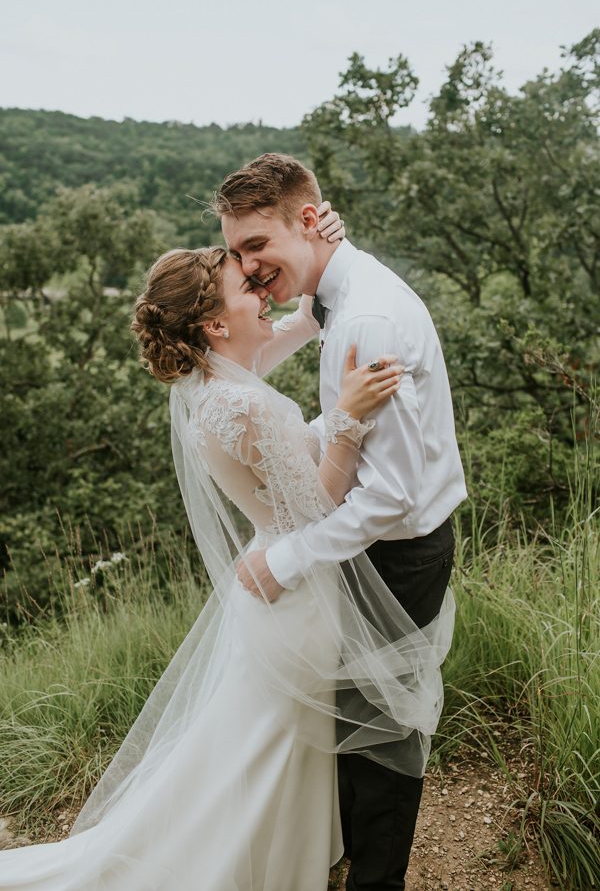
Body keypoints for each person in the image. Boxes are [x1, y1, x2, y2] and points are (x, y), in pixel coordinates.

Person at [0, 210, 454, 890]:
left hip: (273, 587)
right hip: (295, 591)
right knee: (273, 745)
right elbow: (321, 506)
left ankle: (289, 852)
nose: (261, 292)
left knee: (257, 740)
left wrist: (317, 253)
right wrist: (349, 421)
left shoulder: (210, 387)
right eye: (247, 288)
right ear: (214, 324)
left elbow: (294, 330)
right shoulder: (247, 407)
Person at [213, 153, 467, 891]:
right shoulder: (336, 297)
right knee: (350, 721)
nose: (248, 266)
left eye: (257, 245)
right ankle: (339, 859)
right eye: (236, 254)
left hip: (398, 552)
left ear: (307, 219)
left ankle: (373, 880)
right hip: (361, 547)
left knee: (382, 735)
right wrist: (339, 422)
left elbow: (388, 498)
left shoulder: (368, 317)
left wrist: (286, 561)